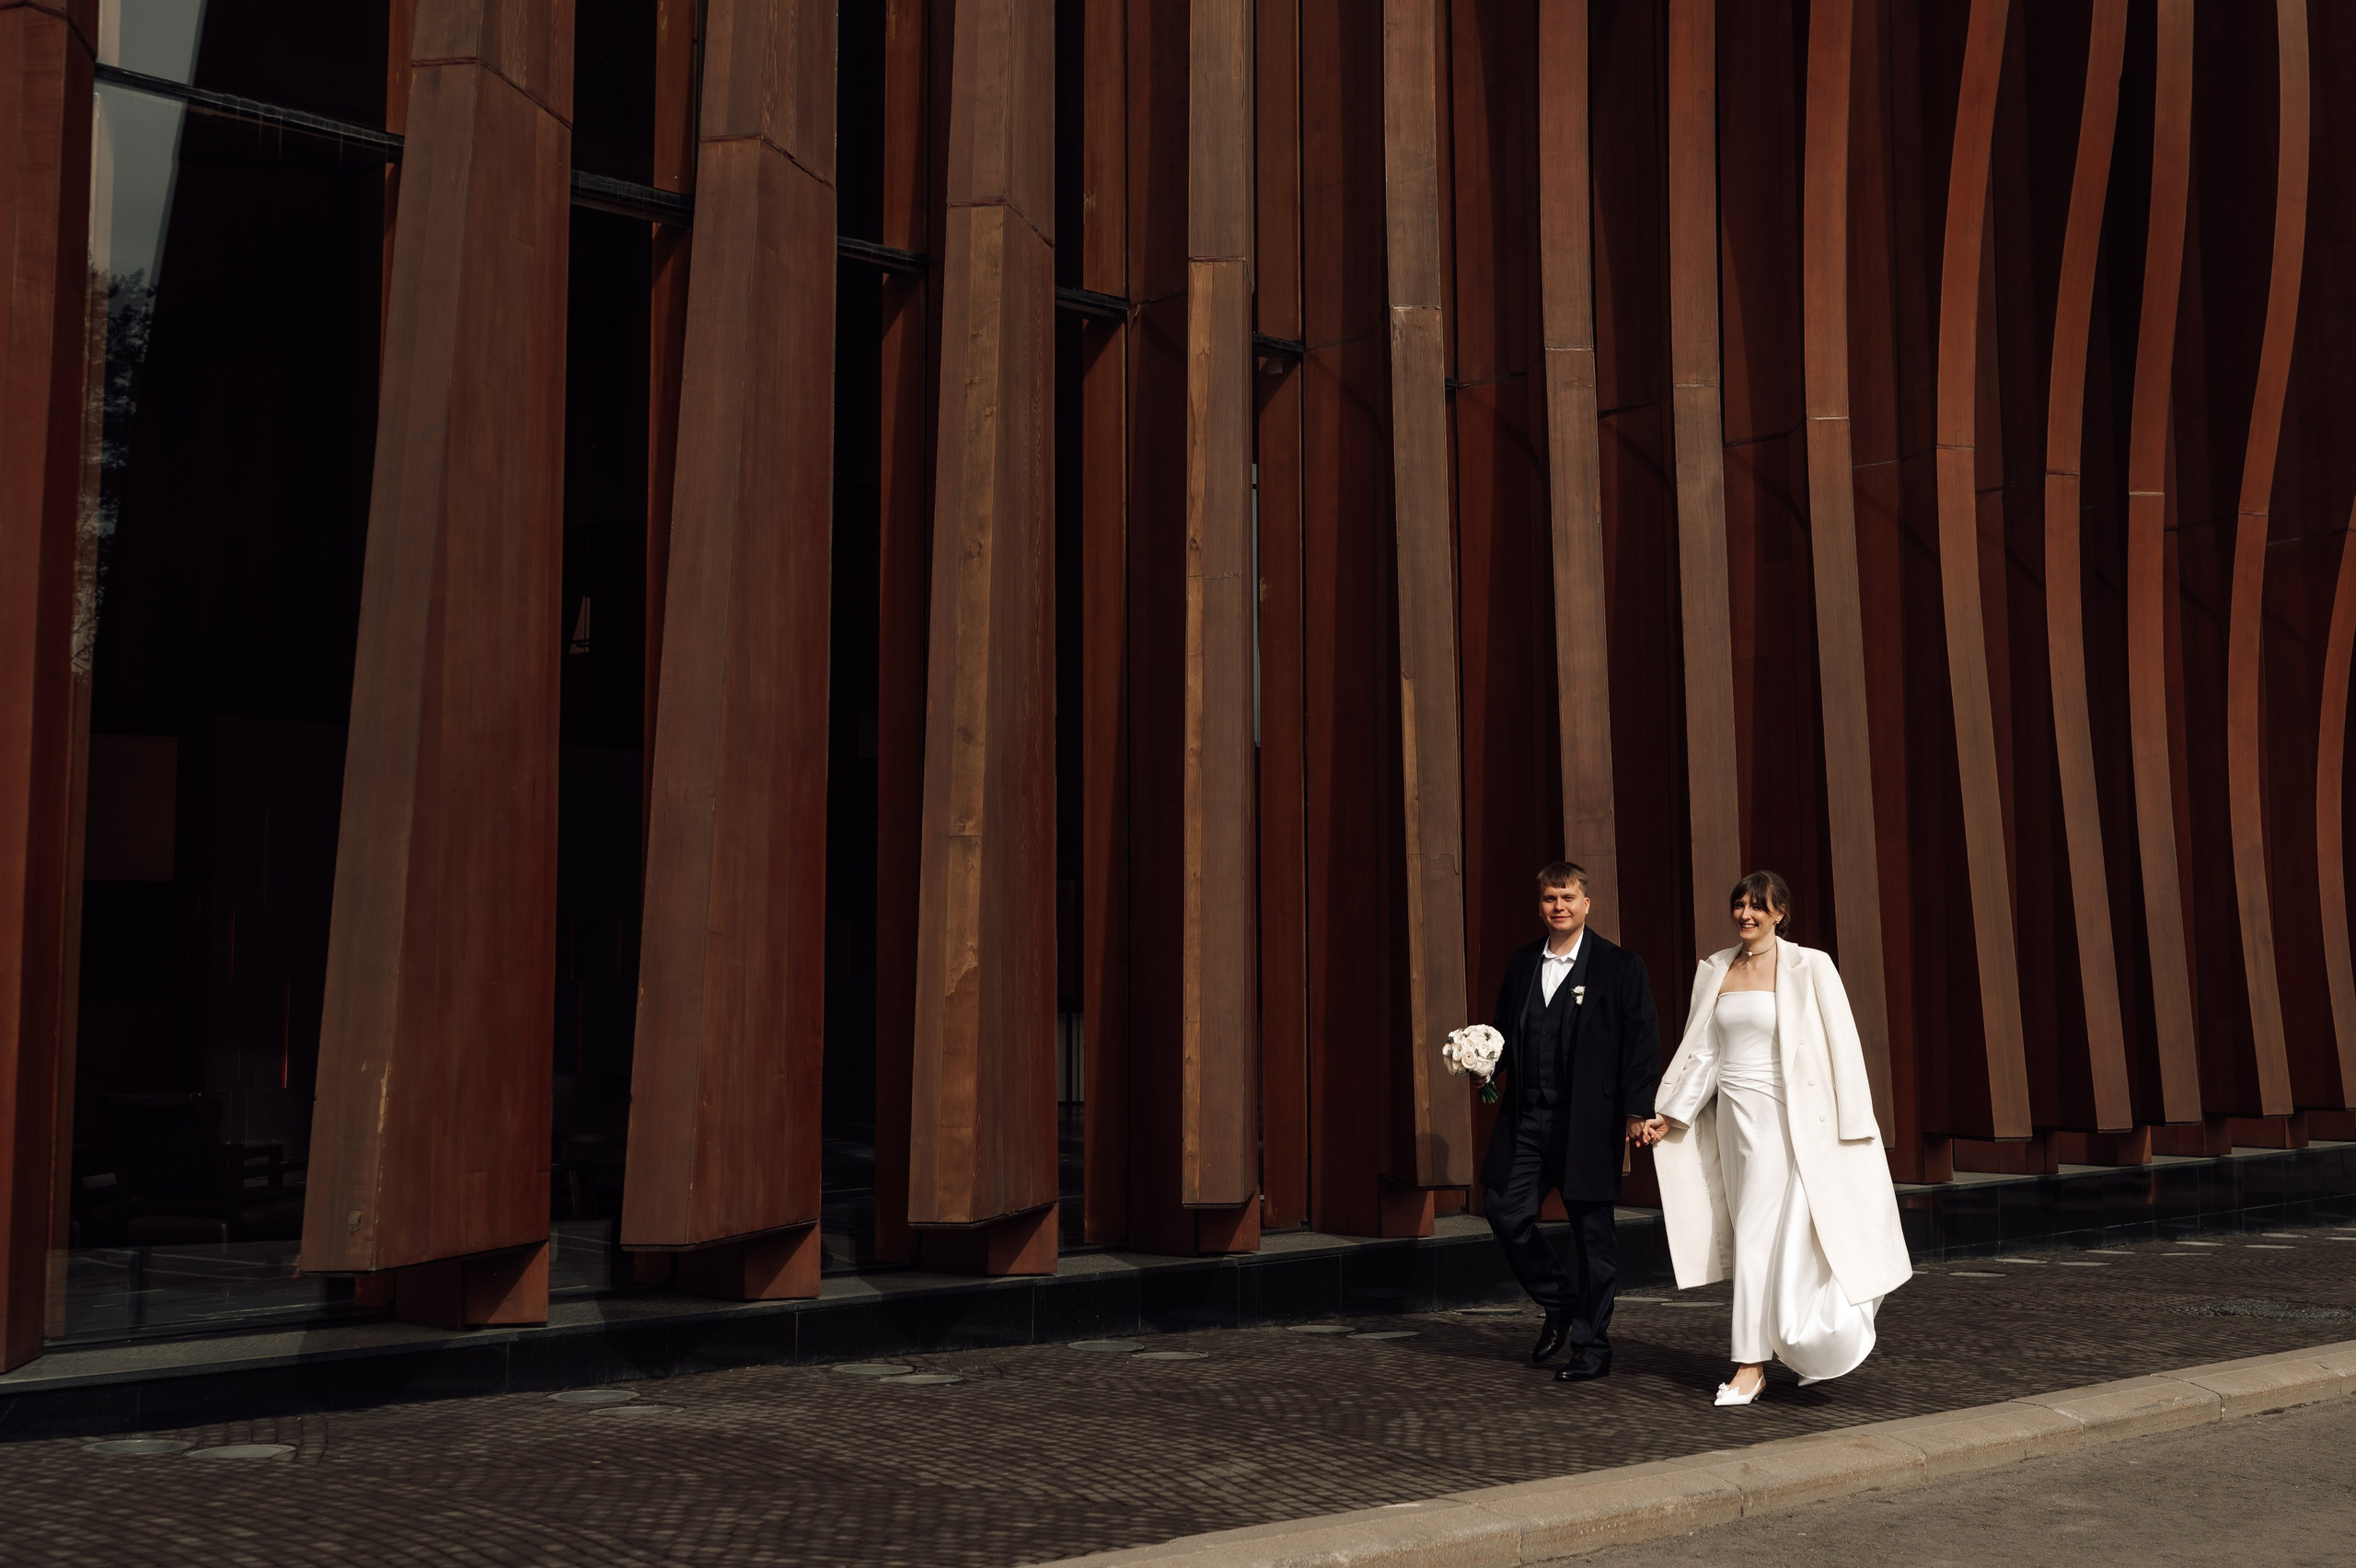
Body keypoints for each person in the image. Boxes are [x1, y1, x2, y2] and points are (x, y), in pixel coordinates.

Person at [1634, 871, 1911, 1406]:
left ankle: (1750, 1365)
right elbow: (1706, 1052)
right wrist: (1671, 1114)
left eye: (1758, 906)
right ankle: (1801, 1342)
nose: (1747, 914)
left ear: (1781, 913)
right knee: (1765, 1240)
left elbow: (1843, 1045)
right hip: (1736, 1124)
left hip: (1791, 1123)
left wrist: (1855, 1123)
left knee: (1765, 1237)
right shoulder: (1715, 968)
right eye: (1739, 904)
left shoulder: (1812, 965)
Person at [1481, 861, 1663, 1382]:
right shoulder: (1520, 964)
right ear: (1539, 905)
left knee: (1593, 1237)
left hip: (1587, 1122)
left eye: (1567, 897)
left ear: (1587, 904)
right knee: (1504, 1210)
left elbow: (1641, 1042)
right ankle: (1560, 1301)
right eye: (1549, 899)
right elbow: (1505, 1036)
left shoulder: (1619, 966)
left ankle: (1591, 1347)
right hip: (1527, 1119)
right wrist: (1485, 1066)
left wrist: (1636, 1110)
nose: (1558, 907)